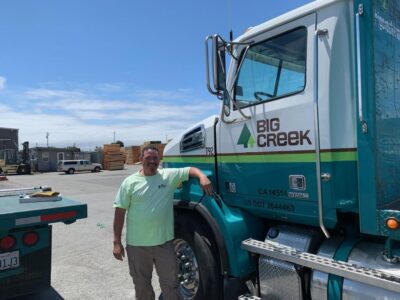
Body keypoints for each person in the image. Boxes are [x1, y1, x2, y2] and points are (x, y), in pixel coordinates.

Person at [112, 146, 212, 300]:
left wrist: (202, 177)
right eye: (148, 158)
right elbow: (119, 213)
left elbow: (190, 169)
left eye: (155, 159)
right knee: (142, 286)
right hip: (137, 246)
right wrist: (117, 242)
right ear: (141, 160)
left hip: (163, 245)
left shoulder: (167, 176)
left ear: (159, 161)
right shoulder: (129, 182)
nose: (152, 161)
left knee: (170, 284)